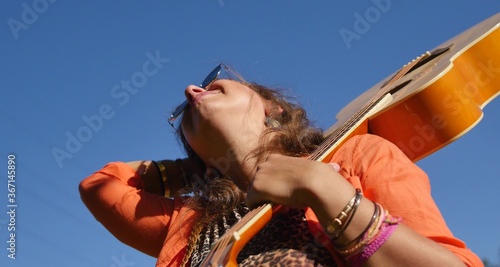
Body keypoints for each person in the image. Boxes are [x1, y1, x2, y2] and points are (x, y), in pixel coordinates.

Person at [79, 63, 483, 267]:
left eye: (209, 82)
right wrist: (200, 167)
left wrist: (328, 193)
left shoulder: (358, 156)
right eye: (185, 109)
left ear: (271, 108)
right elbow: (99, 186)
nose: (191, 90)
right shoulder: (187, 221)